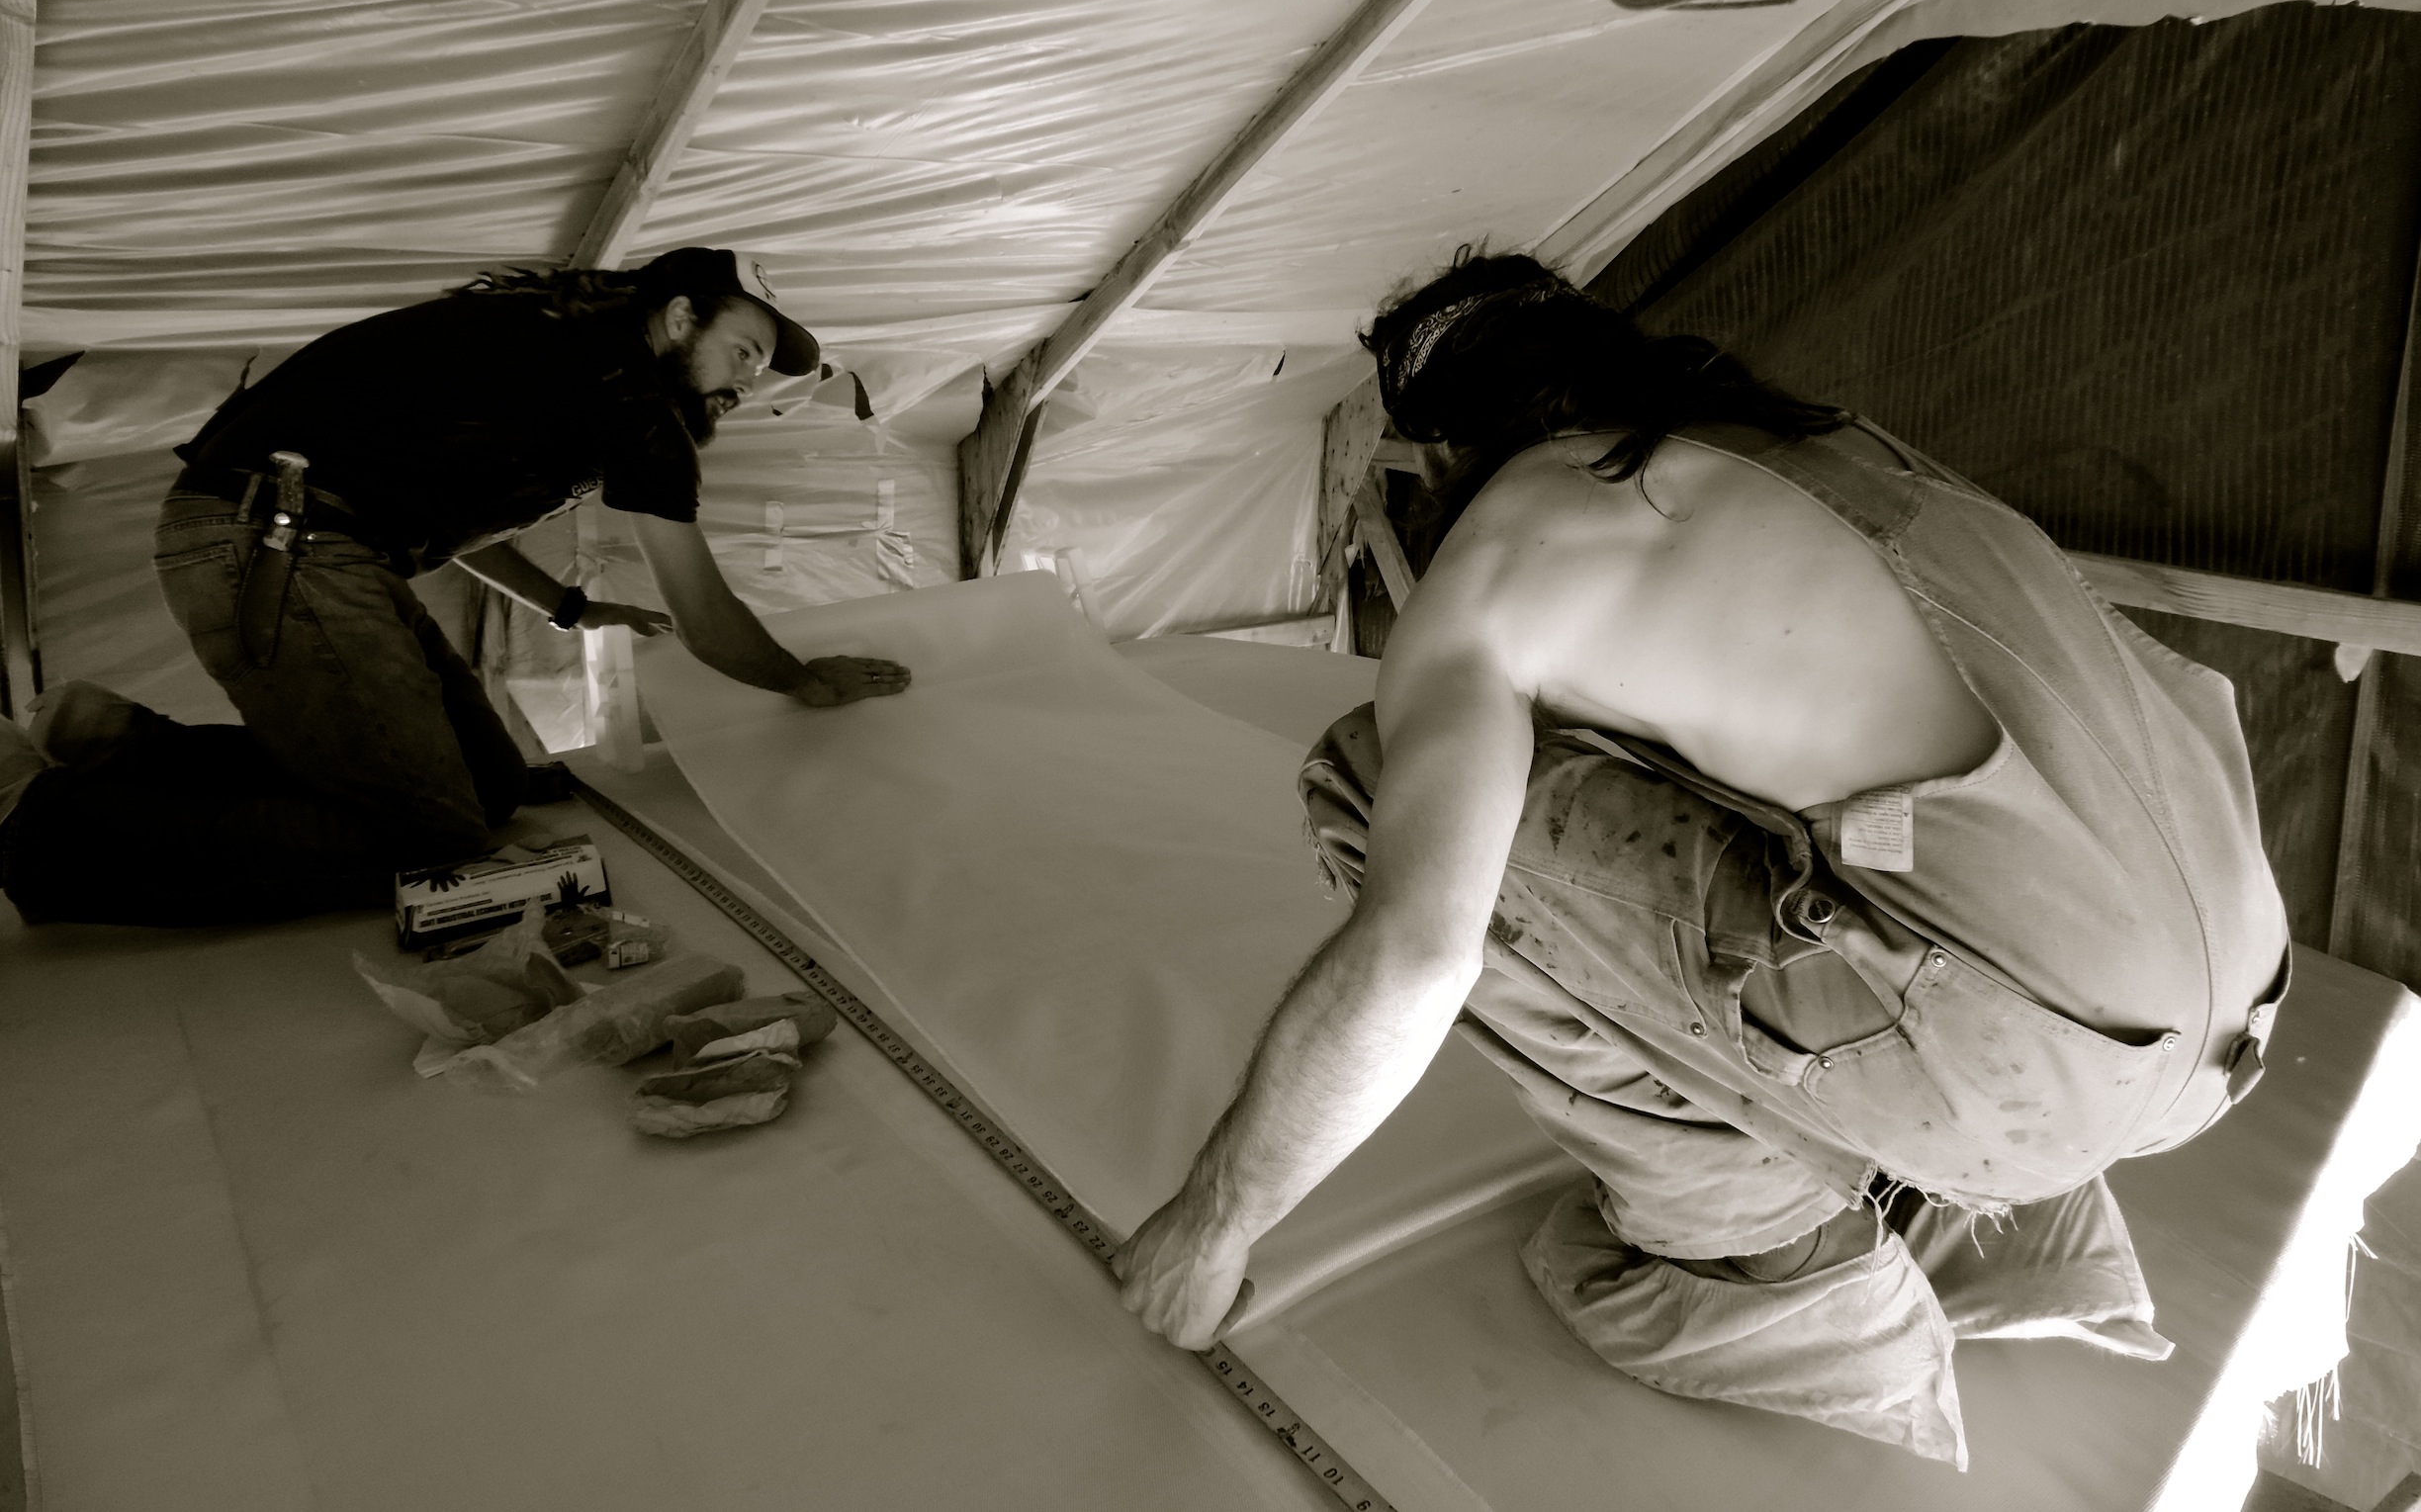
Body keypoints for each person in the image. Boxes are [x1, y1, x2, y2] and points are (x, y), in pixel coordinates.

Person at [1112, 254, 2288, 1462]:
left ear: (1449, 448)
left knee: (1380, 791)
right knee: (1761, 781)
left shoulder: (1504, 552)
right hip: (2220, 1016)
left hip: (2029, 1063)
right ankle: (2000, 1223)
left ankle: (1771, 1257)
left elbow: (1416, 956)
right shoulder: (1828, 446)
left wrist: (1213, 1222)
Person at [0, 247, 909, 927]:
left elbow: (456, 526)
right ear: (679, 319)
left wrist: (571, 607)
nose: (748, 383)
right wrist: (804, 680)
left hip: (295, 536)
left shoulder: (561, 353)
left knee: (491, 785)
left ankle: (124, 749)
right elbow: (705, 617)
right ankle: (41, 826)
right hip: (278, 541)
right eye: (744, 352)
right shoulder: (628, 391)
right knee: (430, 836)